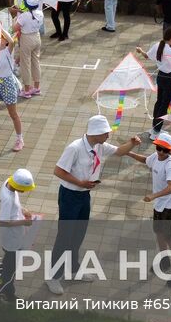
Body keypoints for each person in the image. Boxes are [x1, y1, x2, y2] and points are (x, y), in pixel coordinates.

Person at [47, 115, 140, 294]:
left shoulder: (99, 145)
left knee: (78, 234)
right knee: (64, 236)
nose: (108, 135)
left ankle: (73, 269)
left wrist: (132, 143)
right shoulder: (74, 148)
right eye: (105, 132)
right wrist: (80, 183)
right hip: (70, 196)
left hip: (84, 196)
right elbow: (58, 171)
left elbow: (119, 151)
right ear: (96, 133)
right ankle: (53, 276)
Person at [124, 133, 171, 284]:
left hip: (169, 206)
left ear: (170, 151)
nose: (161, 152)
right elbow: (145, 160)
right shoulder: (156, 157)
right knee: (158, 232)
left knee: (169, 237)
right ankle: (164, 261)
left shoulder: (170, 166)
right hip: (159, 205)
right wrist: (128, 152)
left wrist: (153, 196)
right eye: (159, 148)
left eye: (165, 150)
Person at [0, 168, 39, 302]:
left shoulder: (8, 182)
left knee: (7, 262)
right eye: (23, 189)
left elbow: (15, 205)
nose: (24, 192)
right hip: (12, 239)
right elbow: (3, 222)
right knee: (11, 268)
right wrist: (24, 223)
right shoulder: (8, 199)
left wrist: (22, 209)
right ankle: (7, 293)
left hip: (13, 237)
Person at [140, 27, 171, 144]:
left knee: (159, 102)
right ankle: (156, 131)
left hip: (161, 76)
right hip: (169, 79)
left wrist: (140, 50)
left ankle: (154, 128)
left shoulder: (158, 45)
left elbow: (147, 56)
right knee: (165, 105)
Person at [14, 0, 42, 98]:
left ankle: (26, 90)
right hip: (37, 37)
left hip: (26, 38)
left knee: (25, 64)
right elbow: (31, 17)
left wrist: (17, 18)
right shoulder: (40, 13)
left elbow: (15, 28)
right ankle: (36, 87)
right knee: (36, 62)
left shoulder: (24, 16)